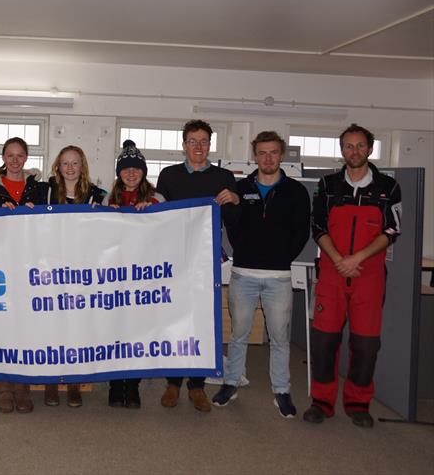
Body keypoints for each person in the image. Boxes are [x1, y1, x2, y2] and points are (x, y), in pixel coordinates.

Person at [303, 124, 401, 428]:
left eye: (360, 146)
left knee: (366, 344)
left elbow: (392, 229)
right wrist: (338, 260)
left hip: (368, 275)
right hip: (332, 273)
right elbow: (318, 227)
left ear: (370, 149)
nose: (354, 151)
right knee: (323, 342)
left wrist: (356, 258)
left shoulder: (388, 186)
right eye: (348, 146)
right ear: (341, 149)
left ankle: (358, 402)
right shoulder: (327, 184)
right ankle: (322, 401)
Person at [212, 131, 310, 417]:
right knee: (239, 333)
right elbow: (233, 226)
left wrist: (280, 258)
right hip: (243, 274)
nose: (268, 158)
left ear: (281, 155)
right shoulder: (240, 189)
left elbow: (301, 232)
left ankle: (281, 390)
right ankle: (231, 383)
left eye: (273, 152)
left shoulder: (296, 191)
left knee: (279, 338)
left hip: (278, 277)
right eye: (262, 153)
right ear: (255, 156)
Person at [155, 119, 240, 413]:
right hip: (175, 258)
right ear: (184, 145)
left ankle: (197, 385)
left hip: (206, 261)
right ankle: (173, 383)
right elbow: (158, 216)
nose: (199, 147)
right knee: (174, 318)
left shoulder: (225, 176)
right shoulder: (168, 175)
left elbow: (234, 223)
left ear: (210, 145)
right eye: (193, 141)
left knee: (204, 321)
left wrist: (236, 200)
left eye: (204, 141)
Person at [0, 137, 45, 413]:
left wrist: (35, 213)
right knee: (4, 323)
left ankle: (23, 385)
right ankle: (5, 385)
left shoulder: (39, 188)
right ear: (3, 157)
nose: (15, 160)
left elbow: (49, 221)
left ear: (26, 158)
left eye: (20, 155)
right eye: (10, 155)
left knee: (26, 325)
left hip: (30, 261)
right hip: (1, 261)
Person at [40, 145, 107, 408]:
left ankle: (74, 384)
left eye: (75, 163)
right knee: (52, 327)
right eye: (65, 163)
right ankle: (50, 382)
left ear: (83, 166)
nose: (70, 168)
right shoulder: (45, 190)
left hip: (81, 272)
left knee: (78, 328)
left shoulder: (96, 194)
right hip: (49, 270)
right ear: (58, 166)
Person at [103, 140, 165, 408]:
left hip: (144, 277)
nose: (130, 173)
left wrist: (151, 214)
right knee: (115, 331)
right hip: (115, 276)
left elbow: (167, 233)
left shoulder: (157, 198)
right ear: (119, 173)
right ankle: (116, 385)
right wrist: (108, 216)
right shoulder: (109, 198)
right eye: (125, 169)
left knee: (138, 332)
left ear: (143, 171)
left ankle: (134, 386)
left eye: (135, 168)